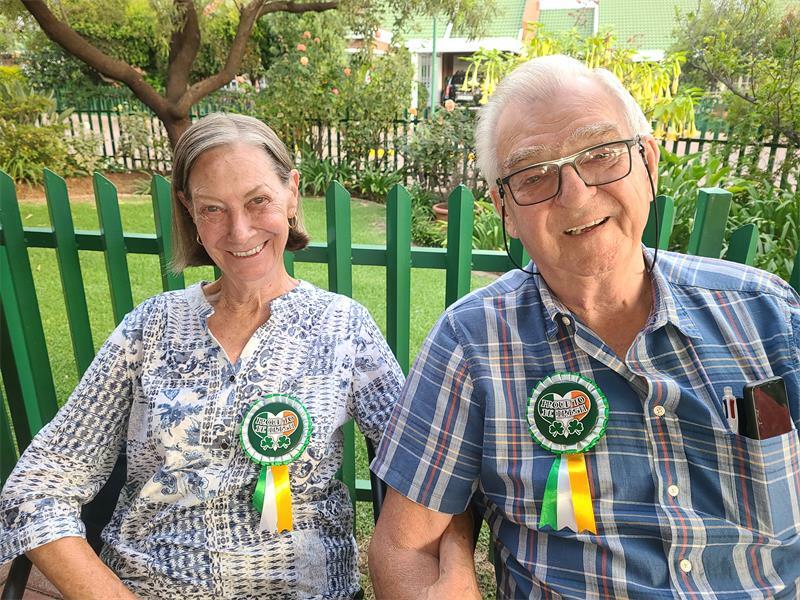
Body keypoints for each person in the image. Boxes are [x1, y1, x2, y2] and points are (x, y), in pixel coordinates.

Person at [369, 55, 800, 599]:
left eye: (600, 154)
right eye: (533, 176)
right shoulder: (472, 343)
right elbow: (406, 548)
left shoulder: (766, 316)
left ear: (647, 162)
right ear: (505, 209)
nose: (574, 194)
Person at [0, 113, 404, 599]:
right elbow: (37, 486)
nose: (239, 231)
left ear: (292, 193)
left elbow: (420, 464)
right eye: (213, 208)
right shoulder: (150, 328)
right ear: (189, 210)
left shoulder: (344, 327)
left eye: (258, 200)